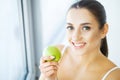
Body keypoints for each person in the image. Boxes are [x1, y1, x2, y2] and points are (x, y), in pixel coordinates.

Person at [39, 0, 120, 80]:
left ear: (104, 30)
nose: (75, 37)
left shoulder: (114, 76)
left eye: (85, 28)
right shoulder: (56, 56)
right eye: (70, 27)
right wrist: (49, 78)